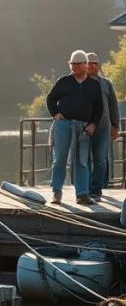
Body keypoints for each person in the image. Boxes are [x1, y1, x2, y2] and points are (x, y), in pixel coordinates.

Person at [46, 49, 103, 205]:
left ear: (85, 65)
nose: (74, 67)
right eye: (72, 64)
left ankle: (82, 194)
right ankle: (56, 192)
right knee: (60, 160)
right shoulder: (63, 82)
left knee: (82, 161)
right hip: (63, 124)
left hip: (84, 126)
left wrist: (93, 124)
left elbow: (99, 108)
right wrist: (55, 114)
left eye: (77, 64)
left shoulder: (94, 85)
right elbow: (50, 98)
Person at [87, 52, 120, 200]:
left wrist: (115, 125)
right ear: (84, 64)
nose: (93, 65)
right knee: (83, 160)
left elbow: (113, 106)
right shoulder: (79, 82)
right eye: (90, 63)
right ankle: (83, 189)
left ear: (99, 65)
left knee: (101, 160)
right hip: (83, 127)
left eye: (95, 63)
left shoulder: (106, 84)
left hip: (103, 128)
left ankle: (96, 190)